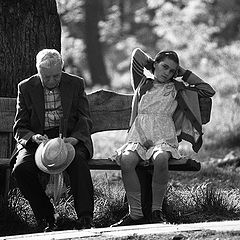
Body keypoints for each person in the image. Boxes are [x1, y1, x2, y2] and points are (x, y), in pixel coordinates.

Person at [111, 48, 215, 226]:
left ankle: (156, 211)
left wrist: (184, 73)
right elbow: (137, 55)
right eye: (164, 67)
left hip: (163, 137)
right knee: (127, 160)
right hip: (139, 135)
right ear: (155, 64)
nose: (167, 73)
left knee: (160, 159)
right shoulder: (142, 83)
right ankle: (135, 213)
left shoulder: (177, 88)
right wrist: (152, 66)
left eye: (172, 71)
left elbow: (207, 90)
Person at [10, 49, 94, 232]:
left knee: (78, 161)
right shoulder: (25, 87)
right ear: (38, 71)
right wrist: (33, 137)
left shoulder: (75, 83)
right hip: (39, 139)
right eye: (46, 77)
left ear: (62, 69)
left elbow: (84, 118)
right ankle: (47, 217)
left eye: (56, 76)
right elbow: (20, 126)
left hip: (68, 137)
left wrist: (76, 138)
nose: (51, 81)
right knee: (21, 169)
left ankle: (85, 218)